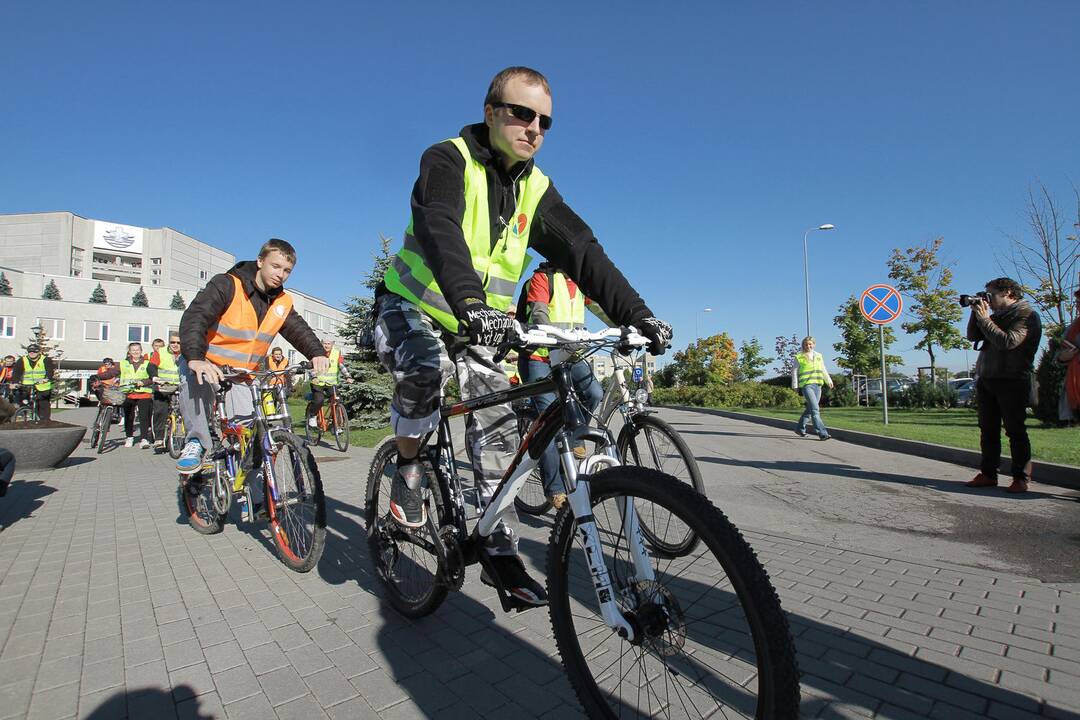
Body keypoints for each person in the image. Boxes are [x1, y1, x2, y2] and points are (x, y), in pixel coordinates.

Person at [375, 66, 672, 606]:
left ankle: (497, 541)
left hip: (475, 326)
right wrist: (468, 302)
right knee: (422, 369)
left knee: (496, 420)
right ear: (491, 113)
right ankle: (408, 467)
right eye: (521, 113)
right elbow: (439, 228)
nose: (534, 128)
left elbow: (583, 251)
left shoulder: (536, 187)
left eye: (545, 121)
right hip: (411, 306)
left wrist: (639, 314)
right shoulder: (446, 160)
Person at [175, 239, 329, 475]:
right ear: (260, 262)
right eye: (275, 266)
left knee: (248, 432)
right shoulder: (227, 285)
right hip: (206, 363)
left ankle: (254, 499)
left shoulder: (281, 302)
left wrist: (317, 353)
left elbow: (299, 330)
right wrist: (196, 357)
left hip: (241, 373)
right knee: (194, 376)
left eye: (287, 270)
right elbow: (195, 318)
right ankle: (196, 442)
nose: (281, 275)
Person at [516, 263, 606, 508]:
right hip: (538, 356)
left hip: (568, 354)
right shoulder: (543, 278)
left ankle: (574, 438)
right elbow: (539, 313)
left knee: (594, 392)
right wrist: (554, 337)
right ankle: (554, 487)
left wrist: (628, 325)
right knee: (549, 421)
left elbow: (601, 307)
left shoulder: (579, 283)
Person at [964, 277, 1042, 493]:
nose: (987, 299)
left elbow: (1008, 342)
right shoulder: (994, 316)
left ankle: (1021, 477)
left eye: (991, 295)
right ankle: (988, 474)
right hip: (988, 378)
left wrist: (986, 319)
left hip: (1013, 379)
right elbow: (972, 336)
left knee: (1015, 431)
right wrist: (976, 313)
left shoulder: (1026, 315)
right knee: (987, 430)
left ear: (1008, 293)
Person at [97, 343, 157, 447]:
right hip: (128, 394)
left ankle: (144, 439)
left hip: (144, 394)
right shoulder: (123, 363)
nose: (135, 352)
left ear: (141, 350)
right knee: (129, 417)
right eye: (133, 350)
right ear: (129, 352)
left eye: (137, 350)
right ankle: (129, 437)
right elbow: (111, 373)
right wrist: (98, 376)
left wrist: (144, 382)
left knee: (144, 417)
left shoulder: (148, 363)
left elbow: (153, 377)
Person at [791, 336, 834, 440]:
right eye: (806, 344)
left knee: (810, 410)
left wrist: (828, 380)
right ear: (803, 345)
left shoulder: (819, 355)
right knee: (815, 409)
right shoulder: (799, 357)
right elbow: (794, 371)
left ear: (814, 345)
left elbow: (823, 368)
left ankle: (799, 429)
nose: (808, 346)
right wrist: (795, 386)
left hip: (818, 385)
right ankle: (822, 433)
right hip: (807, 385)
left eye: (810, 344)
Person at [306, 339, 353, 427]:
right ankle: (312, 416)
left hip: (331, 383)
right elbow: (310, 367)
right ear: (321, 344)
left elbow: (341, 366)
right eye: (325, 343)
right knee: (319, 399)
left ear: (332, 344)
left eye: (329, 344)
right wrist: (314, 377)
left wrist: (348, 376)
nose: (326, 346)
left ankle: (336, 425)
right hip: (317, 383)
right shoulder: (316, 352)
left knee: (338, 401)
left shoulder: (336, 353)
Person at [149, 334, 184, 450]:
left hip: (180, 387)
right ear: (169, 342)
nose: (175, 345)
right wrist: (154, 376)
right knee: (160, 411)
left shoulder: (187, 353)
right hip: (162, 387)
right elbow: (151, 366)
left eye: (178, 343)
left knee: (185, 412)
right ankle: (159, 438)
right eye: (173, 342)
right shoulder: (161, 352)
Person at [10, 344, 55, 422]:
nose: (32, 353)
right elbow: (16, 372)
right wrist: (15, 382)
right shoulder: (22, 360)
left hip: (43, 386)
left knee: (43, 403)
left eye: (34, 351)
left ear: (39, 352)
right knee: (24, 401)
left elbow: (50, 371)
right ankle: (24, 415)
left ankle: (45, 421)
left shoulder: (46, 360)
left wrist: (46, 378)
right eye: (30, 351)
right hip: (27, 385)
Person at [1055, 289, 1080, 423]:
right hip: (1075, 387)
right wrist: (1062, 357)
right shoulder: (1072, 328)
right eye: (1077, 302)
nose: (1077, 305)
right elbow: (1058, 356)